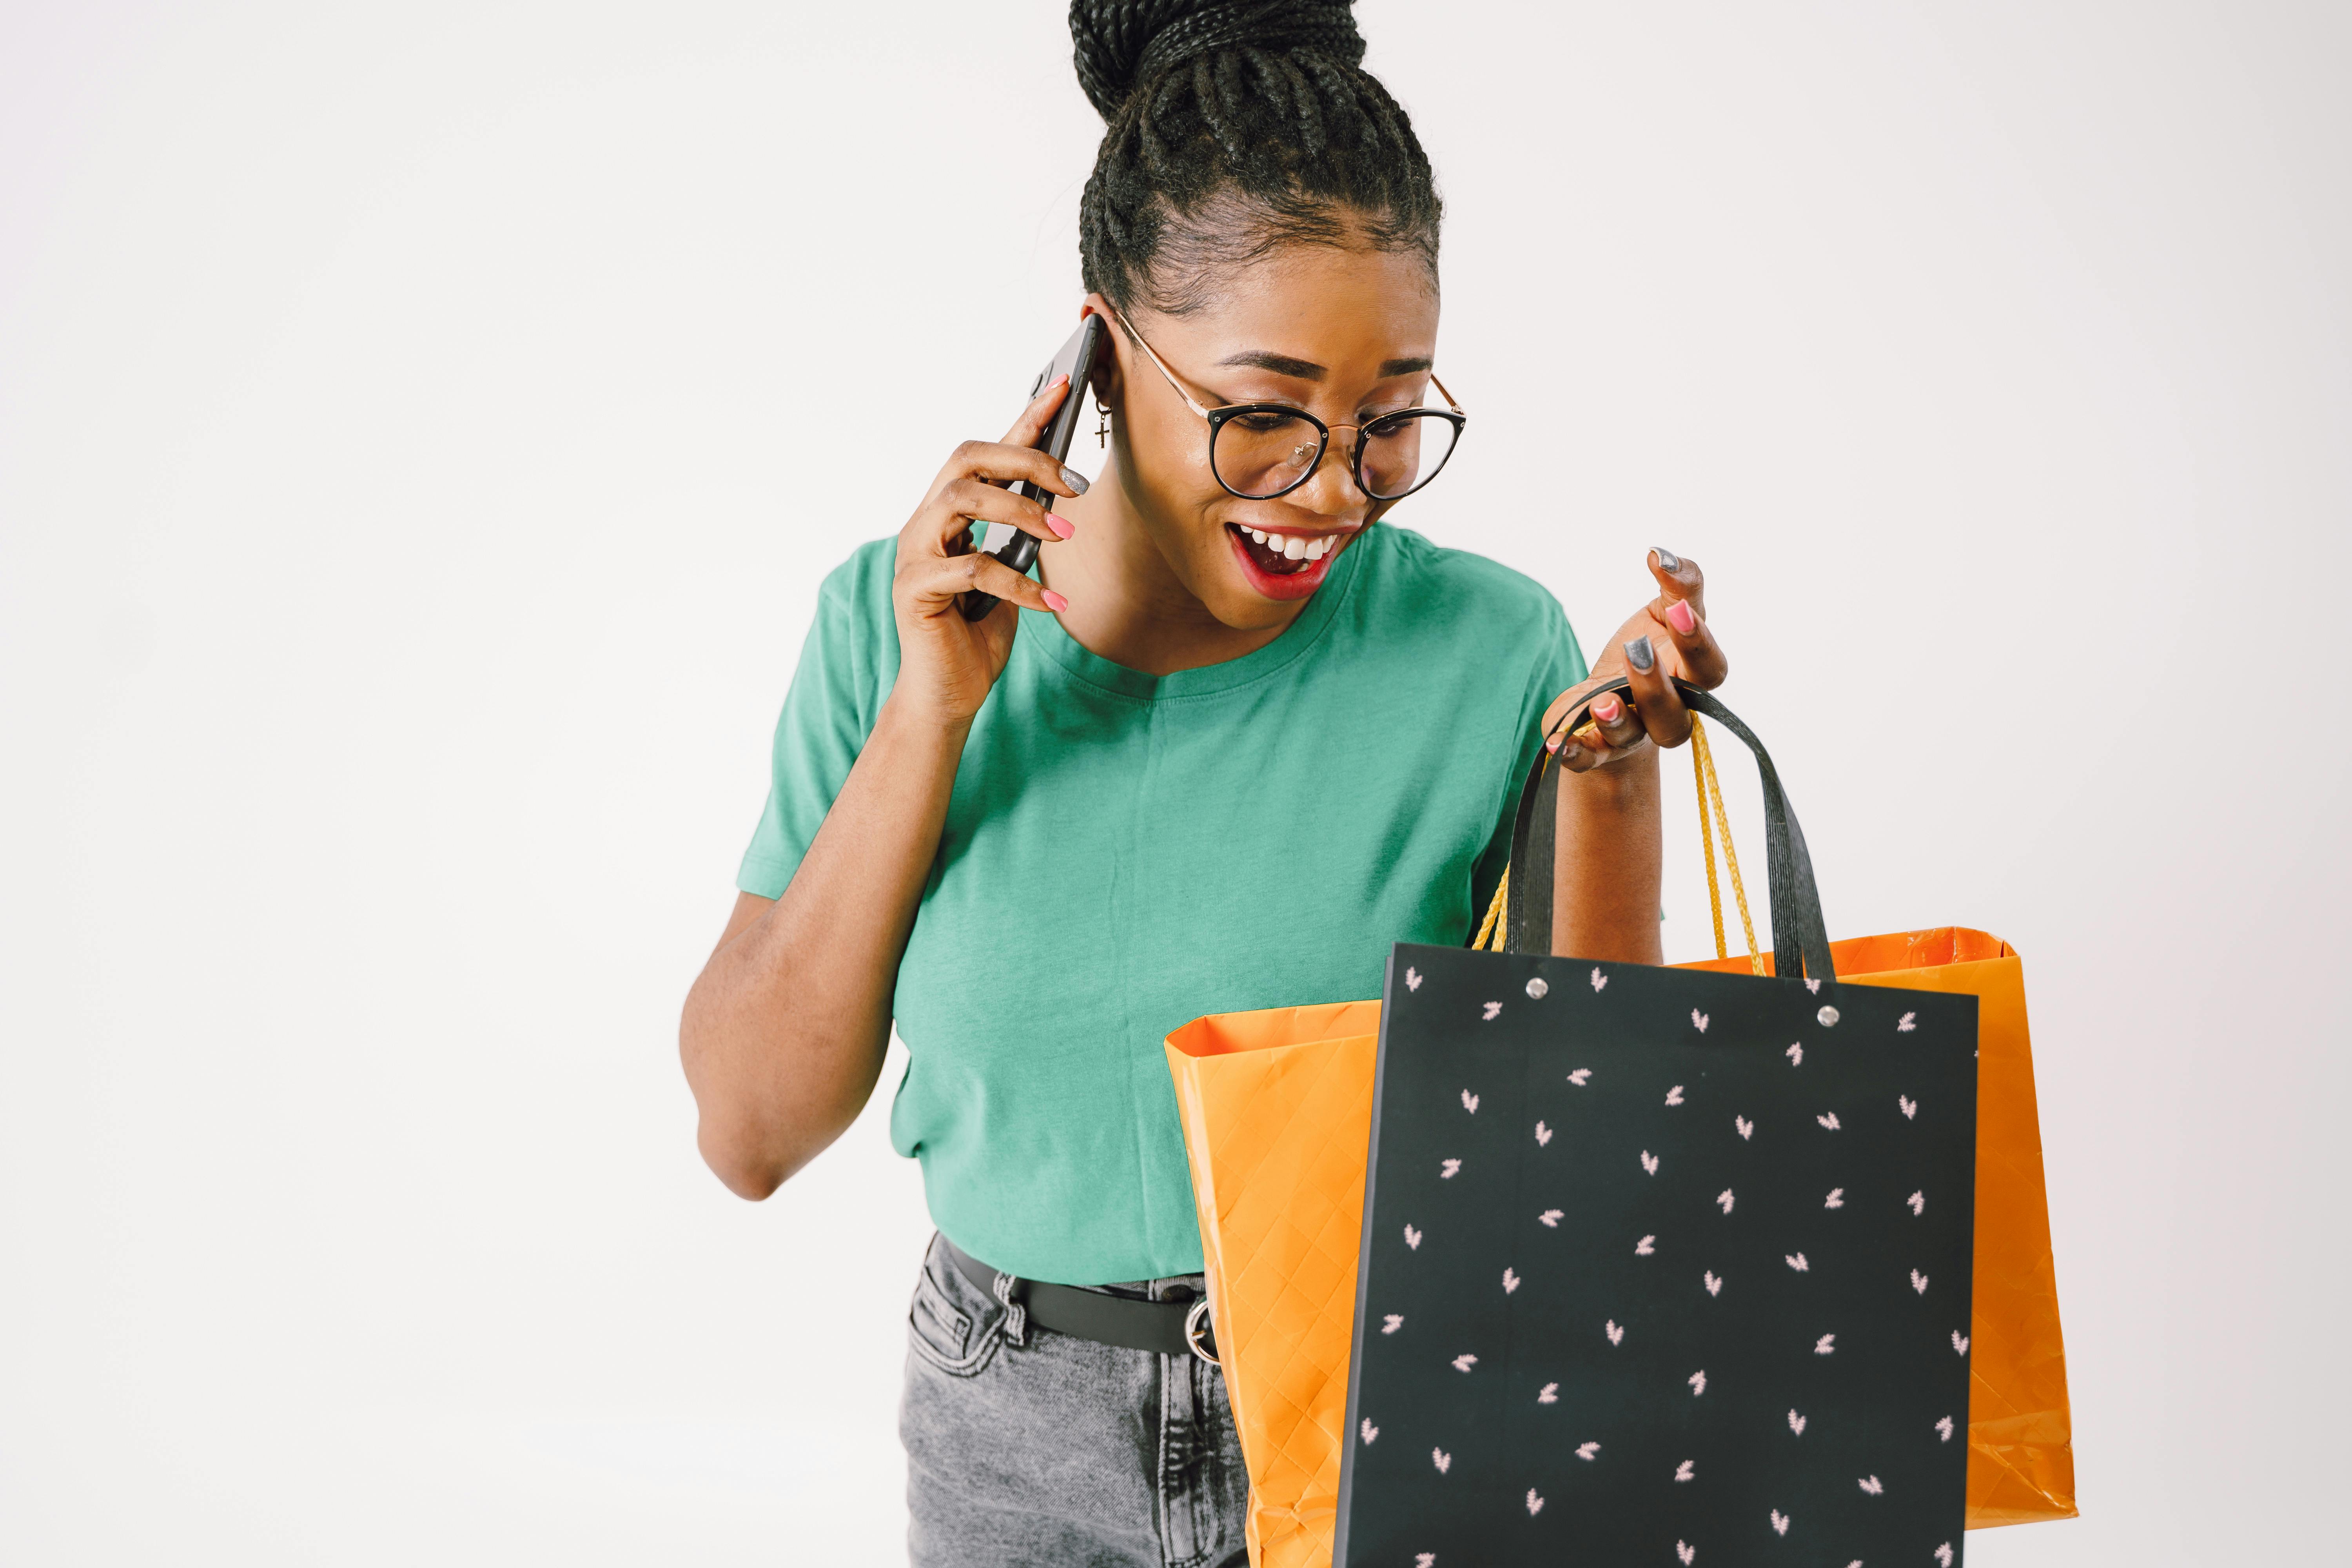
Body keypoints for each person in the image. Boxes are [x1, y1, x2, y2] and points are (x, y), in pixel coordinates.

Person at [679, 2, 1729, 1562]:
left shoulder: (1487, 645)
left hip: (1384, 1398)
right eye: (1264, 413)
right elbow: (752, 1131)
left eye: (1391, 419)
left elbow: (1586, 1149)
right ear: (1099, 345)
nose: (1333, 488)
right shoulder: (885, 626)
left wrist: (1621, 784)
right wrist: (934, 711)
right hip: (1008, 1431)